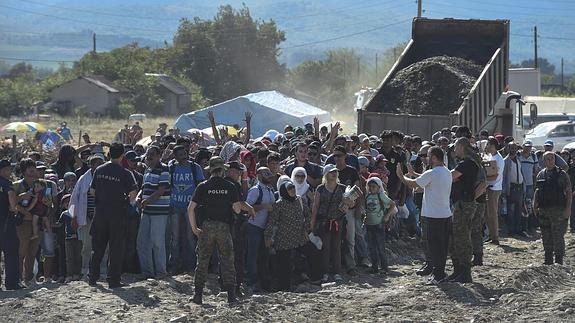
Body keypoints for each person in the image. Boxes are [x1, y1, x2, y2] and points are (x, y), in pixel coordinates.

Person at [188, 156, 255, 305]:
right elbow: (237, 209)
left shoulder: (203, 186)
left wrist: (194, 228)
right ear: (222, 169)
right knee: (227, 261)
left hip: (207, 227)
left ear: (211, 169)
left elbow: (191, 208)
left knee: (203, 261)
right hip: (224, 227)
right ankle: (231, 296)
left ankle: (198, 295)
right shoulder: (229, 186)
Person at [397, 147, 452, 285]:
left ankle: (438, 275)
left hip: (433, 216)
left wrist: (401, 176)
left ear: (434, 157)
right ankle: (440, 272)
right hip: (445, 214)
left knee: (434, 246)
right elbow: (425, 179)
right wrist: (413, 173)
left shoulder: (432, 172)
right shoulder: (446, 171)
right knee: (442, 246)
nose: (426, 158)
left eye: (428, 156)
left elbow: (413, 184)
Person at [89, 143, 138, 288]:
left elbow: (92, 191)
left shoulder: (99, 169)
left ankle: (92, 277)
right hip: (117, 214)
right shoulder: (125, 173)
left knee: (97, 247)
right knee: (116, 248)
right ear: (122, 155)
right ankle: (113, 280)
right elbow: (133, 194)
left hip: (100, 213)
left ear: (109, 154)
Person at [264, 178, 321, 291]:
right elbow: (271, 222)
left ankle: (316, 279)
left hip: (300, 237)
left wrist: (306, 229)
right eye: (289, 188)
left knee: (313, 252)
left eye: (293, 187)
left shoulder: (299, 200)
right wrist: (268, 237)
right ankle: (285, 287)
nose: (292, 190)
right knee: (284, 265)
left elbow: (308, 215)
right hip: (284, 239)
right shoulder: (279, 205)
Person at [447, 138, 480, 283]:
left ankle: (465, 272)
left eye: (455, 147)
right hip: (461, 203)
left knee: (462, 237)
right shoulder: (467, 163)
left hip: (464, 204)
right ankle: (458, 271)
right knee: (456, 237)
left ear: (461, 147)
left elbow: (451, 176)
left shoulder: (468, 163)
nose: (454, 151)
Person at [168, 145, 204, 274]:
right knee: (175, 238)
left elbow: (201, 186)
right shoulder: (171, 168)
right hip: (175, 206)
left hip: (190, 208)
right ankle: (174, 266)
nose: (184, 156)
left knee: (190, 237)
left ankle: (191, 266)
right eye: (180, 154)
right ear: (175, 157)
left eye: (185, 153)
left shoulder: (195, 168)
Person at [136, 145, 171, 279]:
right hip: (147, 211)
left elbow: (161, 190)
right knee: (142, 242)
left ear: (158, 156)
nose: (148, 156)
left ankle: (161, 272)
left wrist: (148, 200)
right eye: (148, 153)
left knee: (157, 243)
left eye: (152, 154)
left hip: (159, 211)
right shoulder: (147, 170)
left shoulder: (164, 169)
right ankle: (147, 272)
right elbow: (143, 188)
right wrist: (139, 197)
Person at [533, 152, 572, 265]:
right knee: (546, 236)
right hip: (544, 210)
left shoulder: (562, 174)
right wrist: (535, 205)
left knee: (558, 236)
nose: (550, 161)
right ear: (544, 161)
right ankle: (548, 260)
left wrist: (568, 209)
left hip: (558, 210)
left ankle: (559, 261)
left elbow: (568, 191)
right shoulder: (541, 174)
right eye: (548, 159)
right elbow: (537, 191)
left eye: (552, 158)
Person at [69, 154, 105, 277]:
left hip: (102, 216)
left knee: (103, 245)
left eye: (101, 163)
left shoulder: (105, 177)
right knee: (87, 246)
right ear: (91, 165)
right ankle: (85, 270)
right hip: (87, 217)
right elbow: (74, 199)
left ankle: (102, 270)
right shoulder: (83, 179)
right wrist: (73, 216)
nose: (99, 165)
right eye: (96, 163)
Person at [311, 164, 347, 283]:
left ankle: (337, 272)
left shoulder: (342, 188)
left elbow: (350, 204)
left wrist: (348, 203)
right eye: (331, 172)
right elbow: (316, 207)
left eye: (335, 171)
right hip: (324, 221)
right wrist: (312, 223)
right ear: (326, 174)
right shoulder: (320, 188)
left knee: (337, 247)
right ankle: (325, 272)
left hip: (338, 220)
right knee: (325, 247)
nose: (334, 173)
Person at [245, 167, 276, 291]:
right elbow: (247, 207)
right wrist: (263, 206)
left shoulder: (270, 189)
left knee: (264, 255)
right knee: (252, 255)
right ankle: (252, 282)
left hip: (266, 227)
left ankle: (264, 282)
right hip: (254, 226)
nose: (269, 175)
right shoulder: (255, 190)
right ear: (258, 175)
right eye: (265, 173)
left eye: (269, 173)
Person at [13, 158, 42, 286]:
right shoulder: (17, 185)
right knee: (21, 252)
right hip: (22, 222)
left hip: (37, 222)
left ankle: (29, 278)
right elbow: (12, 203)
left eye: (34, 169)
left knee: (32, 252)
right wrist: (25, 212)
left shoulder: (40, 184)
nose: (33, 172)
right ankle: (18, 278)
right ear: (24, 171)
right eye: (30, 169)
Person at [364, 176, 396, 274]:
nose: (372, 188)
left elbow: (392, 204)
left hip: (379, 224)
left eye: (374, 186)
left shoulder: (381, 195)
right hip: (369, 224)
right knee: (371, 247)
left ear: (379, 187)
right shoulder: (367, 196)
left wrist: (387, 216)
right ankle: (374, 267)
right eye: (370, 186)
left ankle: (384, 267)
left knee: (380, 247)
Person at [0, 159, 21, 290]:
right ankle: (12, 283)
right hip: (6, 222)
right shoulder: (7, 183)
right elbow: (11, 198)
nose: (10, 171)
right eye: (8, 169)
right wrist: (14, 208)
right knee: (11, 252)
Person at [502, 142, 526, 236]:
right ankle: (511, 230)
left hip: (519, 187)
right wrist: (504, 190)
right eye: (511, 148)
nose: (513, 150)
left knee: (519, 210)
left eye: (515, 148)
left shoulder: (518, 159)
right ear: (508, 149)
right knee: (510, 210)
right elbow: (503, 177)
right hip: (511, 188)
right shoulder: (505, 161)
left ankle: (518, 229)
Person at [58, 194, 82, 282]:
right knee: (69, 258)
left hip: (78, 238)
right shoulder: (64, 214)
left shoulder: (78, 213)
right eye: (65, 202)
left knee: (78, 256)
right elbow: (59, 224)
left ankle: (77, 273)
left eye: (69, 201)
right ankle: (69, 274)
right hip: (68, 238)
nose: (68, 204)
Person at [485, 137, 504, 245]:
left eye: (489, 145)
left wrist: (485, 182)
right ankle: (491, 235)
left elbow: (495, 175)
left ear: (493, 146)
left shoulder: (498, 159)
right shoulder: (491, 157)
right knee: (488, 214)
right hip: (489, 187)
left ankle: (495, 238)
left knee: (492, 214)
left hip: (494, 188)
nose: (487, 147)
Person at [518, 140, 539, 233]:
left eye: (529, 147)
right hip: (520, 184)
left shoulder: (534, 157)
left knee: (529, 204)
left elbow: (536, 170)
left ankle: (529, 225)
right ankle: (520, 225)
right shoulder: (518, 156)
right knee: (520, 204)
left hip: (530, 184)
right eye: (526, 146)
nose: (527, 148)